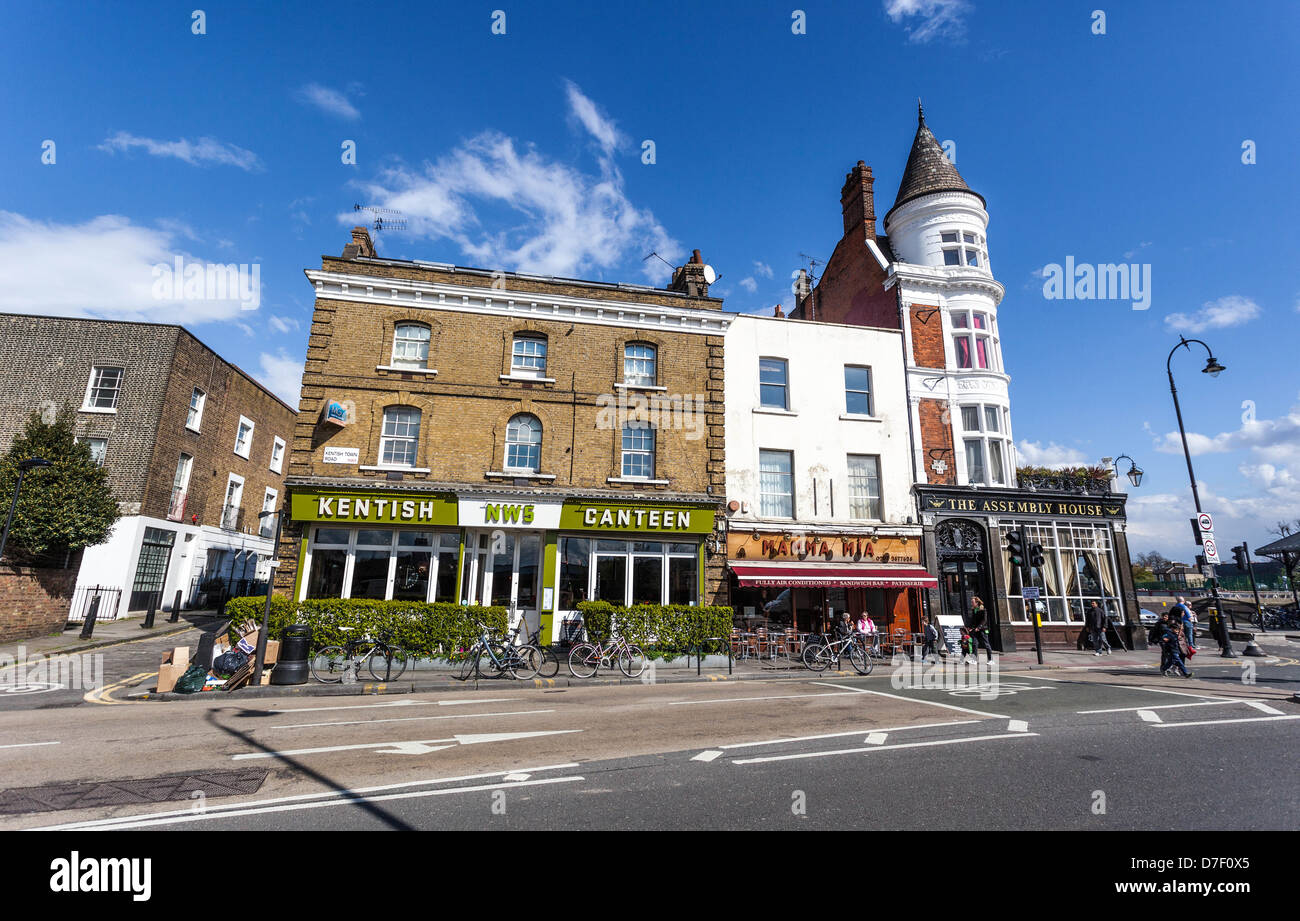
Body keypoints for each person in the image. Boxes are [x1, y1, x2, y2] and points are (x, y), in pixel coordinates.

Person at [966, 597, 994, 663]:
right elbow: (973, 620)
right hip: (975, 630)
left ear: (977, 602)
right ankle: (974, 660)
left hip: (983, 629)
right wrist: (969, 627)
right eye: (971, 602)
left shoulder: (983, 609)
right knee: (975, 644)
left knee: (986, 644)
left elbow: (984, 620)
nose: (971, 603)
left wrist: (979, 627)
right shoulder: (974, 610)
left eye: (972, 602)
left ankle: (991, 660)